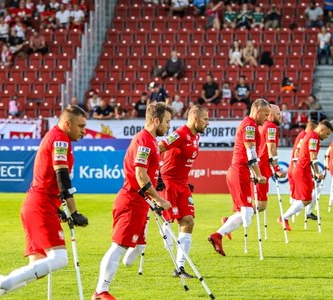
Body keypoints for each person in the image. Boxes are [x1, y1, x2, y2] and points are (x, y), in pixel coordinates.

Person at [0, 105, 89, 300]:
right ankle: (4, 281)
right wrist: (73, 211)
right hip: (40, 205)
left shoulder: (57, 137)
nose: (84, 131)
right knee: (60, 259)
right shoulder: (60, 139)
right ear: (67, 123)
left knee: (38, 266)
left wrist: (59, 209)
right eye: (80, 126)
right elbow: (62, 175)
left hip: (38, 204)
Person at [92, 103, 173, 300]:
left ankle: (118, 275)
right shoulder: (144, 141)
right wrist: (158, 198)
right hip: (130, 201)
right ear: (156, 121)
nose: (169, 126)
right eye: (167, 121)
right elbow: (140, 174)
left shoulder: (151, 141)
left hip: (140, 202)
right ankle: (100, 292)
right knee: (118, 246)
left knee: (136, 245)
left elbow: (148, 172)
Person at [208, 99, 270, 257]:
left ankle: (221, 231)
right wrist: (258, 174)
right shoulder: (249, 125)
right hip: (240, 171)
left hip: (241, 171)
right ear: (257, 111)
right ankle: (219, 233)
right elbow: (250, 152)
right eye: (265, 114)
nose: (267, 117)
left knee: (247, 214)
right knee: (247, 217)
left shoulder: (250, 124)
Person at [158, 105, 209, 278]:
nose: (207, 123)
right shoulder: (179, 134)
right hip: (169, 182)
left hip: (183, 184)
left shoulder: (196, 136)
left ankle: (179, 268)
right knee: (169, 223)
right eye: (205, 119)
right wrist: (155, 173)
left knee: (188, 221)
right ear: (196, 119)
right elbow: (158, 147)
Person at [279, 120, 333, 230]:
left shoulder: (310, 135)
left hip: (303, 169)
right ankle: (284, 217)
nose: (327, 137)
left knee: (307, 198)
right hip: (302, 170)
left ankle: (286, 217)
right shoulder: (314, 137)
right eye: (327, 133)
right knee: (305, 199)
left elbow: (299, 152)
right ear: (322, 129)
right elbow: (313, 156)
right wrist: (317, 172)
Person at [256, 104, 286, 214]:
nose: (280, 116)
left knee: (257, 203)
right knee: (261, 205)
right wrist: (277, 168)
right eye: (278, 114)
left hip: (257, 166)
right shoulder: (271, 127)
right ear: (271, 115)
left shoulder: (260, 125)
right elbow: (271, 148)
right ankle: (230, 220)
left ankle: (234, 218)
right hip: (262, 168)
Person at [288, 120, 318, 206]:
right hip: (299, 167)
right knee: (301, 193)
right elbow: (297, 152)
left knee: (305, 191)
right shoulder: (304, 136)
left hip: (297, 166)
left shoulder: (303, 135)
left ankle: (303, 211)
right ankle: (296, 212)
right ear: (312, 128)